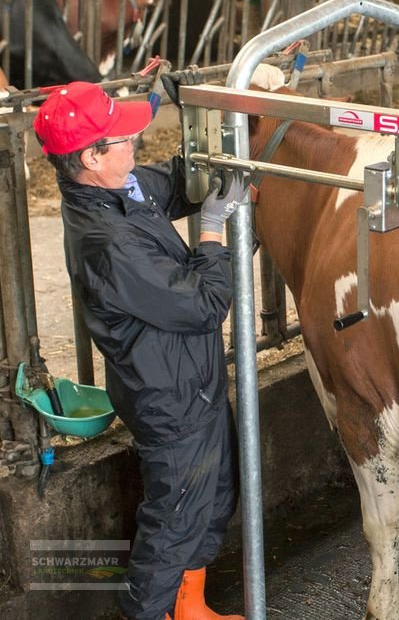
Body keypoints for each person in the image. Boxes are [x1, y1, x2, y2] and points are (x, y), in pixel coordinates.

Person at [34, 81, 247, 620]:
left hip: (190, 380)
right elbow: (204, 304)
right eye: (124, 138)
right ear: (91, 157)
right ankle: (148, 612)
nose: (137, 143)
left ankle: (189, 606)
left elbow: (173, 185)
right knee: (175, 522)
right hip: (169, 396)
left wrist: (212, 146)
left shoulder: (118, 189)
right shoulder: (109, 242)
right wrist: (213, 229)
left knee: (213, 499)